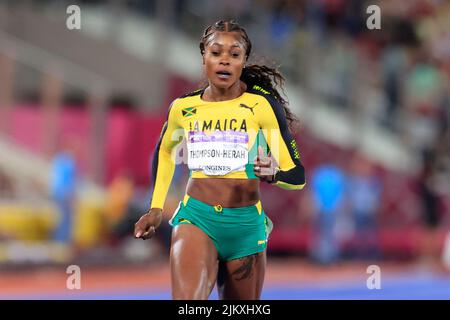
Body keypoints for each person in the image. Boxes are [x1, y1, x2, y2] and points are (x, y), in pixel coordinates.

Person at [134, 20, 306, 300]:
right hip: (196, 218)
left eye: (234, 54)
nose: (224, 60)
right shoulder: (184, 108)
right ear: (204, 57)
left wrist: (274, 174)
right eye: (216, 53)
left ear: (243, 61)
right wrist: (155, 207)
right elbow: (166, 152)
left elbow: (296, 175)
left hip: (245, 226)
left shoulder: (261, 106)